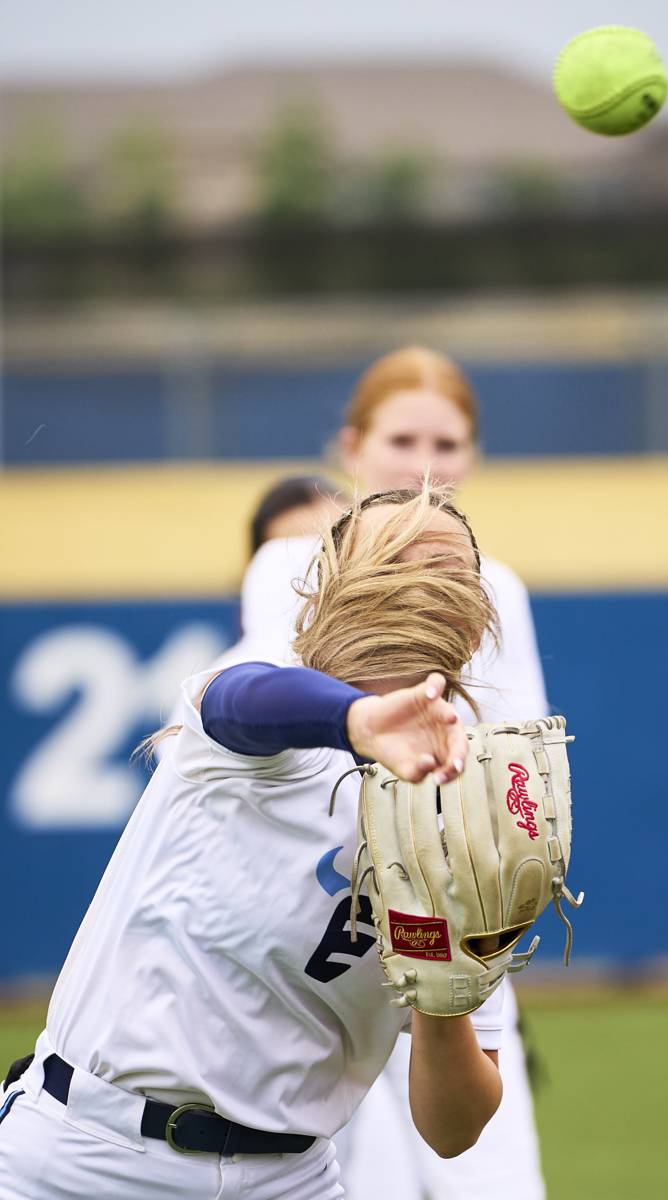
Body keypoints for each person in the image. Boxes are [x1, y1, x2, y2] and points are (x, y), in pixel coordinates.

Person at [0, 489, 505, 1200]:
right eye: (394, 551)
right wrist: (358, 719)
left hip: (289, 1179)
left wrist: (440, 972)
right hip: (88, 1153)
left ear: (475, 608)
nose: (417, 573)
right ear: (337, 576)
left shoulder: (471, 819)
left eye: (446, 563)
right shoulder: (278, 695)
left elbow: (454, 1130)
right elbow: (239, 702)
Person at [236, 347, 550, 1200]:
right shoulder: (290, 566)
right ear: (352, 446)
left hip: (453, 912)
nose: (423, 463)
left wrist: (493, 898)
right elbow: (278, 722)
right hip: (330, 924)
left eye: (445, 444)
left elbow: (520, 767)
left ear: (473, 457)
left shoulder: (499, 587)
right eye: (401, 437)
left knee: (489, 1177)